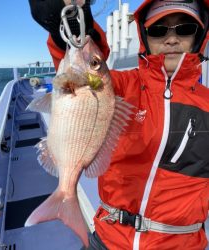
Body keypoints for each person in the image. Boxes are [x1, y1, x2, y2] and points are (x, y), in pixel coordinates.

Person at [28, 0, 209, 249]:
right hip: (109, 237)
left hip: (181, 243)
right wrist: (70, 19)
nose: (171, 39)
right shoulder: (120, 87)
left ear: (199, 36)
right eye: (159, 30)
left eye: (185, 28)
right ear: (145, 36)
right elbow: (83, 68)